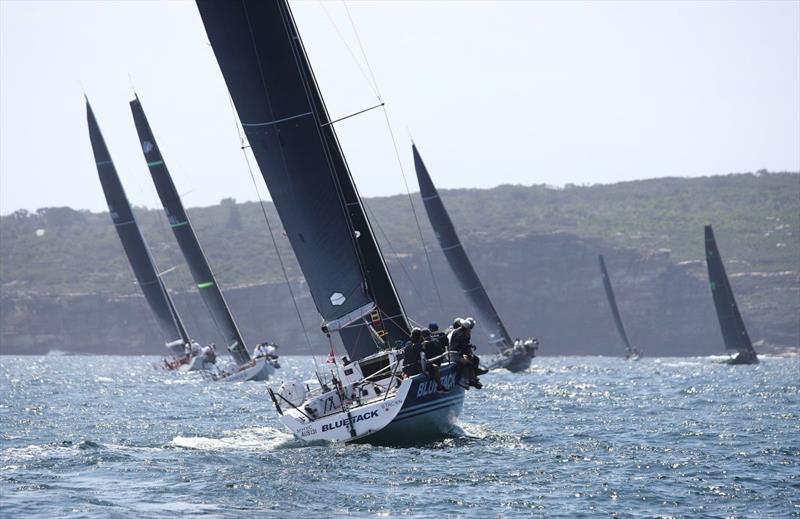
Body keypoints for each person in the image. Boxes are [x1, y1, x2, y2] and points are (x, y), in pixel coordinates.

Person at [448, 317, 483, 389]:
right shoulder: (459, 333)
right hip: (452, 355)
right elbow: (457, 346)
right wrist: (465, 352)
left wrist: (469, 347)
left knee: (475, 359)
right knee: (467, 362)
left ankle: (473, 378)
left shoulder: (464, 332)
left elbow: (465, 344)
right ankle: (458, 380)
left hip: (458, 353)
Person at [421, 328, 446, 392]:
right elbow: (442, 351)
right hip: (439, 363)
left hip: (431, 365)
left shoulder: (424, 343)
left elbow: (422, 355)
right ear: (430, 334)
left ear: (422, 336)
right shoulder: (437, 341)